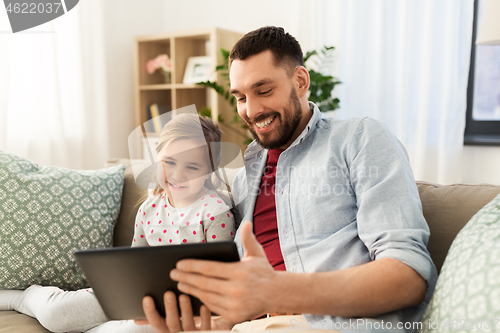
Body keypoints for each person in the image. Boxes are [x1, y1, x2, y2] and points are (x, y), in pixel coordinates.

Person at [138, 26, 438, 333]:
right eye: (240, 97)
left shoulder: (359, 139)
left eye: (264, 91)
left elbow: (409, 277)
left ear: (300, 81)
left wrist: (277, 291)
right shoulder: (244, 180)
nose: (251, 110)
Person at [0, 113, 235, 333]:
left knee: (138, 329)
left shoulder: (216, 212)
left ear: (210, 170)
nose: (177, 174)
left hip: (173, 308)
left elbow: (221, 279)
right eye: (169, 162)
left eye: (192, 167)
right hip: (132, 295)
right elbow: (134, 262)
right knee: (56, 315)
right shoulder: (149, 208)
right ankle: (23, 297)